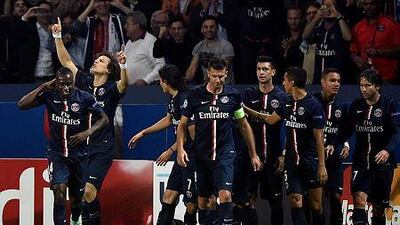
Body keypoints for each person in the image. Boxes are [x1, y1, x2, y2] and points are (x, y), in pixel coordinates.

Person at [52, 17, 128, 225]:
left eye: (102, 61)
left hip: (102, 149)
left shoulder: (112, 89)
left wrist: (124, 65)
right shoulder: (84, 81)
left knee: (88, 191)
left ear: (109, 70)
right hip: (80, 149)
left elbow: (124, 84)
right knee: (83, 195)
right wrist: (58, 36)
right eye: (97, 59)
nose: (96, 61)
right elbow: (66, 61)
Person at [17, 67, 109, 225]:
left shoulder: (85, 98)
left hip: (79, 156)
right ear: (56, 83)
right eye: (62, 84)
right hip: (57, 154)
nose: (66, 88)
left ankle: (75, 219)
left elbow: (104, 119)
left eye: (69, 84)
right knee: (59, 191)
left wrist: (87, 133)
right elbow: (21, 104)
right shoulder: (49, 95)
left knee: (76, 202)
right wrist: (43, 87)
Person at [176, 57, 262, 225]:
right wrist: (180, 149)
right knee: (202, 200)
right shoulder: (194, 95)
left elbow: (243, 124)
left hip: (225, 153)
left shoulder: (233, 95)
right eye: (214, 76)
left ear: (226, 74)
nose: (217, 80)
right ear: (208, 73)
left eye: (221, 76)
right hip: (201, 154)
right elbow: (182, 125)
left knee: (225, 195)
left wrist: (253, 154)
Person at [128, 64, 198, 225]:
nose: (159, 84)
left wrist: (171, 150)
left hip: (192, 158)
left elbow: (192, 133)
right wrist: (143, 133)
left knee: (191, 204)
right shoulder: (173, 99)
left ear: (166, 81)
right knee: (168, 196)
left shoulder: (185, 98)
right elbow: (169, 119)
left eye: (160, 80)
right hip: (182, 158)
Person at [342, 69, 400, 225]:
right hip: (361, 163)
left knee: (379, 208)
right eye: (361, 85)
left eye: (367, 85)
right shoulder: (356, 106)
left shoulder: (390, 105)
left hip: (383, 165)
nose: (363, 89)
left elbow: (397, 132)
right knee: (359, 200)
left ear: (377, 86)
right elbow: (346, 130)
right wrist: (345, 143)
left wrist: (387, 150)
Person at [236, 56, 287, 225]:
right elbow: (241, 122)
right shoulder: (249, 94)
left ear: (273, 72)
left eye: (265, 69)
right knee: (248, 200)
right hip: (251, 157)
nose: (261, 73)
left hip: (273, 157)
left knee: (276, 202)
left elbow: (284, 125)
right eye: (259, 69)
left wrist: (284, 155)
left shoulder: (281, 96)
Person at [282, 67, 327, 225]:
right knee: (295, 200)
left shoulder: (313, 105)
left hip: (311, 161)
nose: (283, 83)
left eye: (285, 80)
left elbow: (319, 138)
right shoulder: (286, 101)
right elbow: (270, 119)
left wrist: (321, 165)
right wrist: (243, 110)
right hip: (292, 162)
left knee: (316, 206)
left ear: (292, 82)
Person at [313, 68, 350, 225]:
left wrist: (345, 144)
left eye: (339, 81)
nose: (336, 84)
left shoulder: (343, 106)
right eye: (332, 80)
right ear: (323, 82)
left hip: (334, 160)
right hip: (313, 158)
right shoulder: (312, 101)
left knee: (335, 197)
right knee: (315, 204)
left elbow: (345, 131)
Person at [350, 0, 400, 84]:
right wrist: (356, 58)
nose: (368, 7)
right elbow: (352, 51)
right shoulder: (358, 27)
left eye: (372, 4)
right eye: (366, 4)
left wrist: (379, 52)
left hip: (387, 78)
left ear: (379, 5)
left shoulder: (392, 25)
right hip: (365, 78)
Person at [302, 0, 352, 84]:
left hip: (336, 79)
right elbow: (305, 36)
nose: (328, 9)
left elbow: (348, 37)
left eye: (331, 5)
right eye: (325, 6)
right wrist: (316, 18)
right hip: (318, 79)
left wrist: (338, 16)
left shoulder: (341, 26)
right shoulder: (319, 28)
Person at [185, 16, 235, 84]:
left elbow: (222, 69)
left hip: (226, 86)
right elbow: (192, 69)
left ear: (217, 28)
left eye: (212, 27)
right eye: (206, 27)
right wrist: (184, 82)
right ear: (202, 29)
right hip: (208, 86)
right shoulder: (199, 47)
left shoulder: (226, 46)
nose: (209, 30)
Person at [124, 11, 166, 85]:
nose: (125, 26)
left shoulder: (151, 41)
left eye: (128, 24)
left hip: (146, 90)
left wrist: (146, 80)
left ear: (136, 25)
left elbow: (161, 65)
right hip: (129, 90)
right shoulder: (129, 43)